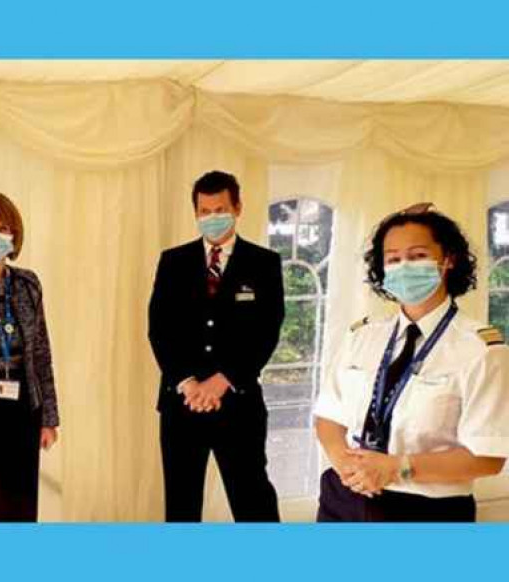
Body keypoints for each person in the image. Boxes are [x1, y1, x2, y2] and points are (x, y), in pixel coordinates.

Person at [314, 203, 509, 522]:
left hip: (425, 509)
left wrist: (397, 467)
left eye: (417, 256)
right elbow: (328, 417)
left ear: (447, 260)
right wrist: (346, 465)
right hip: (344, 498)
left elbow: (488, 457)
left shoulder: (481, 349)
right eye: (393, 259)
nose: (403, 266)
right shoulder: (362, 336)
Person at [149, 170, 284, 522]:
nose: (212, 217)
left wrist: (222, 379)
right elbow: (160, 329)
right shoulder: (172, 262)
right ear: (195, 212)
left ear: (237, 207)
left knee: (253, 500)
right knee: (181, 505)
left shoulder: (264, 263)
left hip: (239, 404)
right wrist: (188, 382)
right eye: (204, 210)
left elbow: (267, 331)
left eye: (219, 208)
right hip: (182, 403)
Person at [0, 192, 59, 522]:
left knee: (20, 502)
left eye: (3, 228)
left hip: (22, 407)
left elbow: (42, 353)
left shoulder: (28, 284)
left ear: (14, 235)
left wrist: (49, 417)